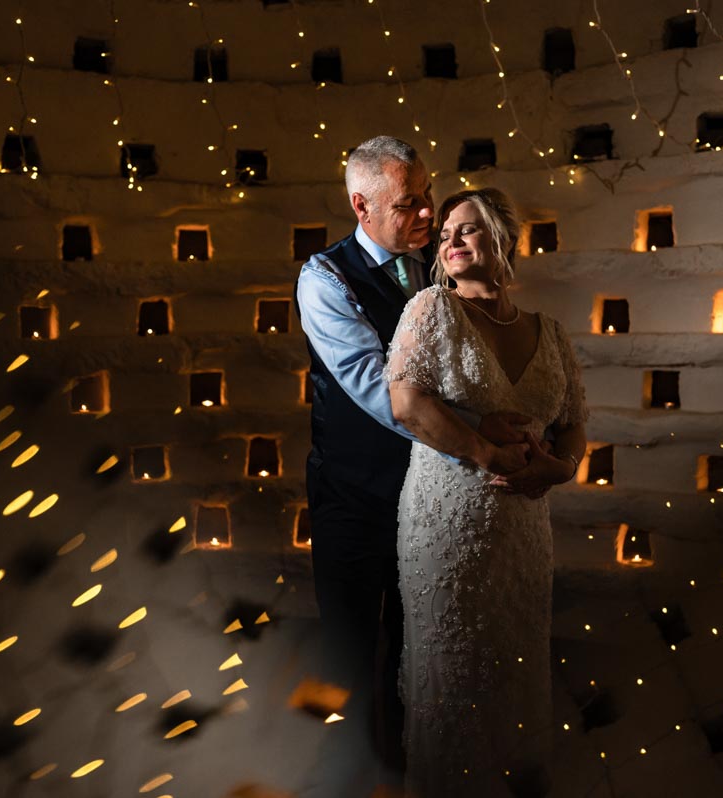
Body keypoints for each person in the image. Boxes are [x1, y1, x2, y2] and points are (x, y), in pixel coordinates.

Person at [296, 139, 533, 793]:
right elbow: (380, 389)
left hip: (429, 493)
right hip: (351, 492)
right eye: (409, 203)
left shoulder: (439, 261)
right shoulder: (324, 278)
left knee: (418, 639)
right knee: (346, 643)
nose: (427, 212)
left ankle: (406, 768)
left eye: (428, 194)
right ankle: (338, 769)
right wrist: (479, 434)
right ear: (360, 205)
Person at [385, 188, 589, 796]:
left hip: (524, 528)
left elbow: (574, 420)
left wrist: (563, 467)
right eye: (445, 232)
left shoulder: (549, 333)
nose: (449, 241)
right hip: (447, 519)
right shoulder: (431, 311)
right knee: (456, 674)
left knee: (515, 664)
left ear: (504, 240)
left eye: (466, 230)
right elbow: (406, 401)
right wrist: (486, 452)